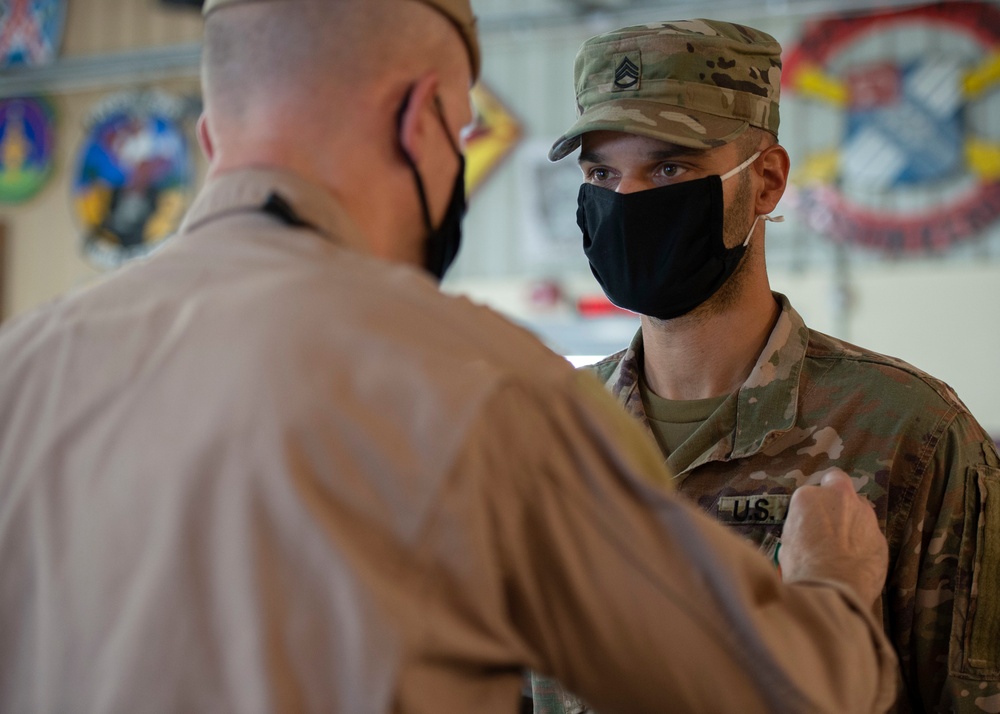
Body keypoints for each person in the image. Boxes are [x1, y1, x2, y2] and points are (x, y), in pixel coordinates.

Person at [0, 2, 899, 712]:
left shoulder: (24, 370)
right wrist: (835, 588)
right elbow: (782, 693)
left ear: (209, 141)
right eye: (463, 130)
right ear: (420, 117)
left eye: (666, 169)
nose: (627, 200)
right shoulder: (477, 390)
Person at [534, 18, 1000, 714]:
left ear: (768, 182)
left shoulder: (912, 436)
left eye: (670, 168)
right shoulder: (542, 432)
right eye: (602, 173)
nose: (626, 204)